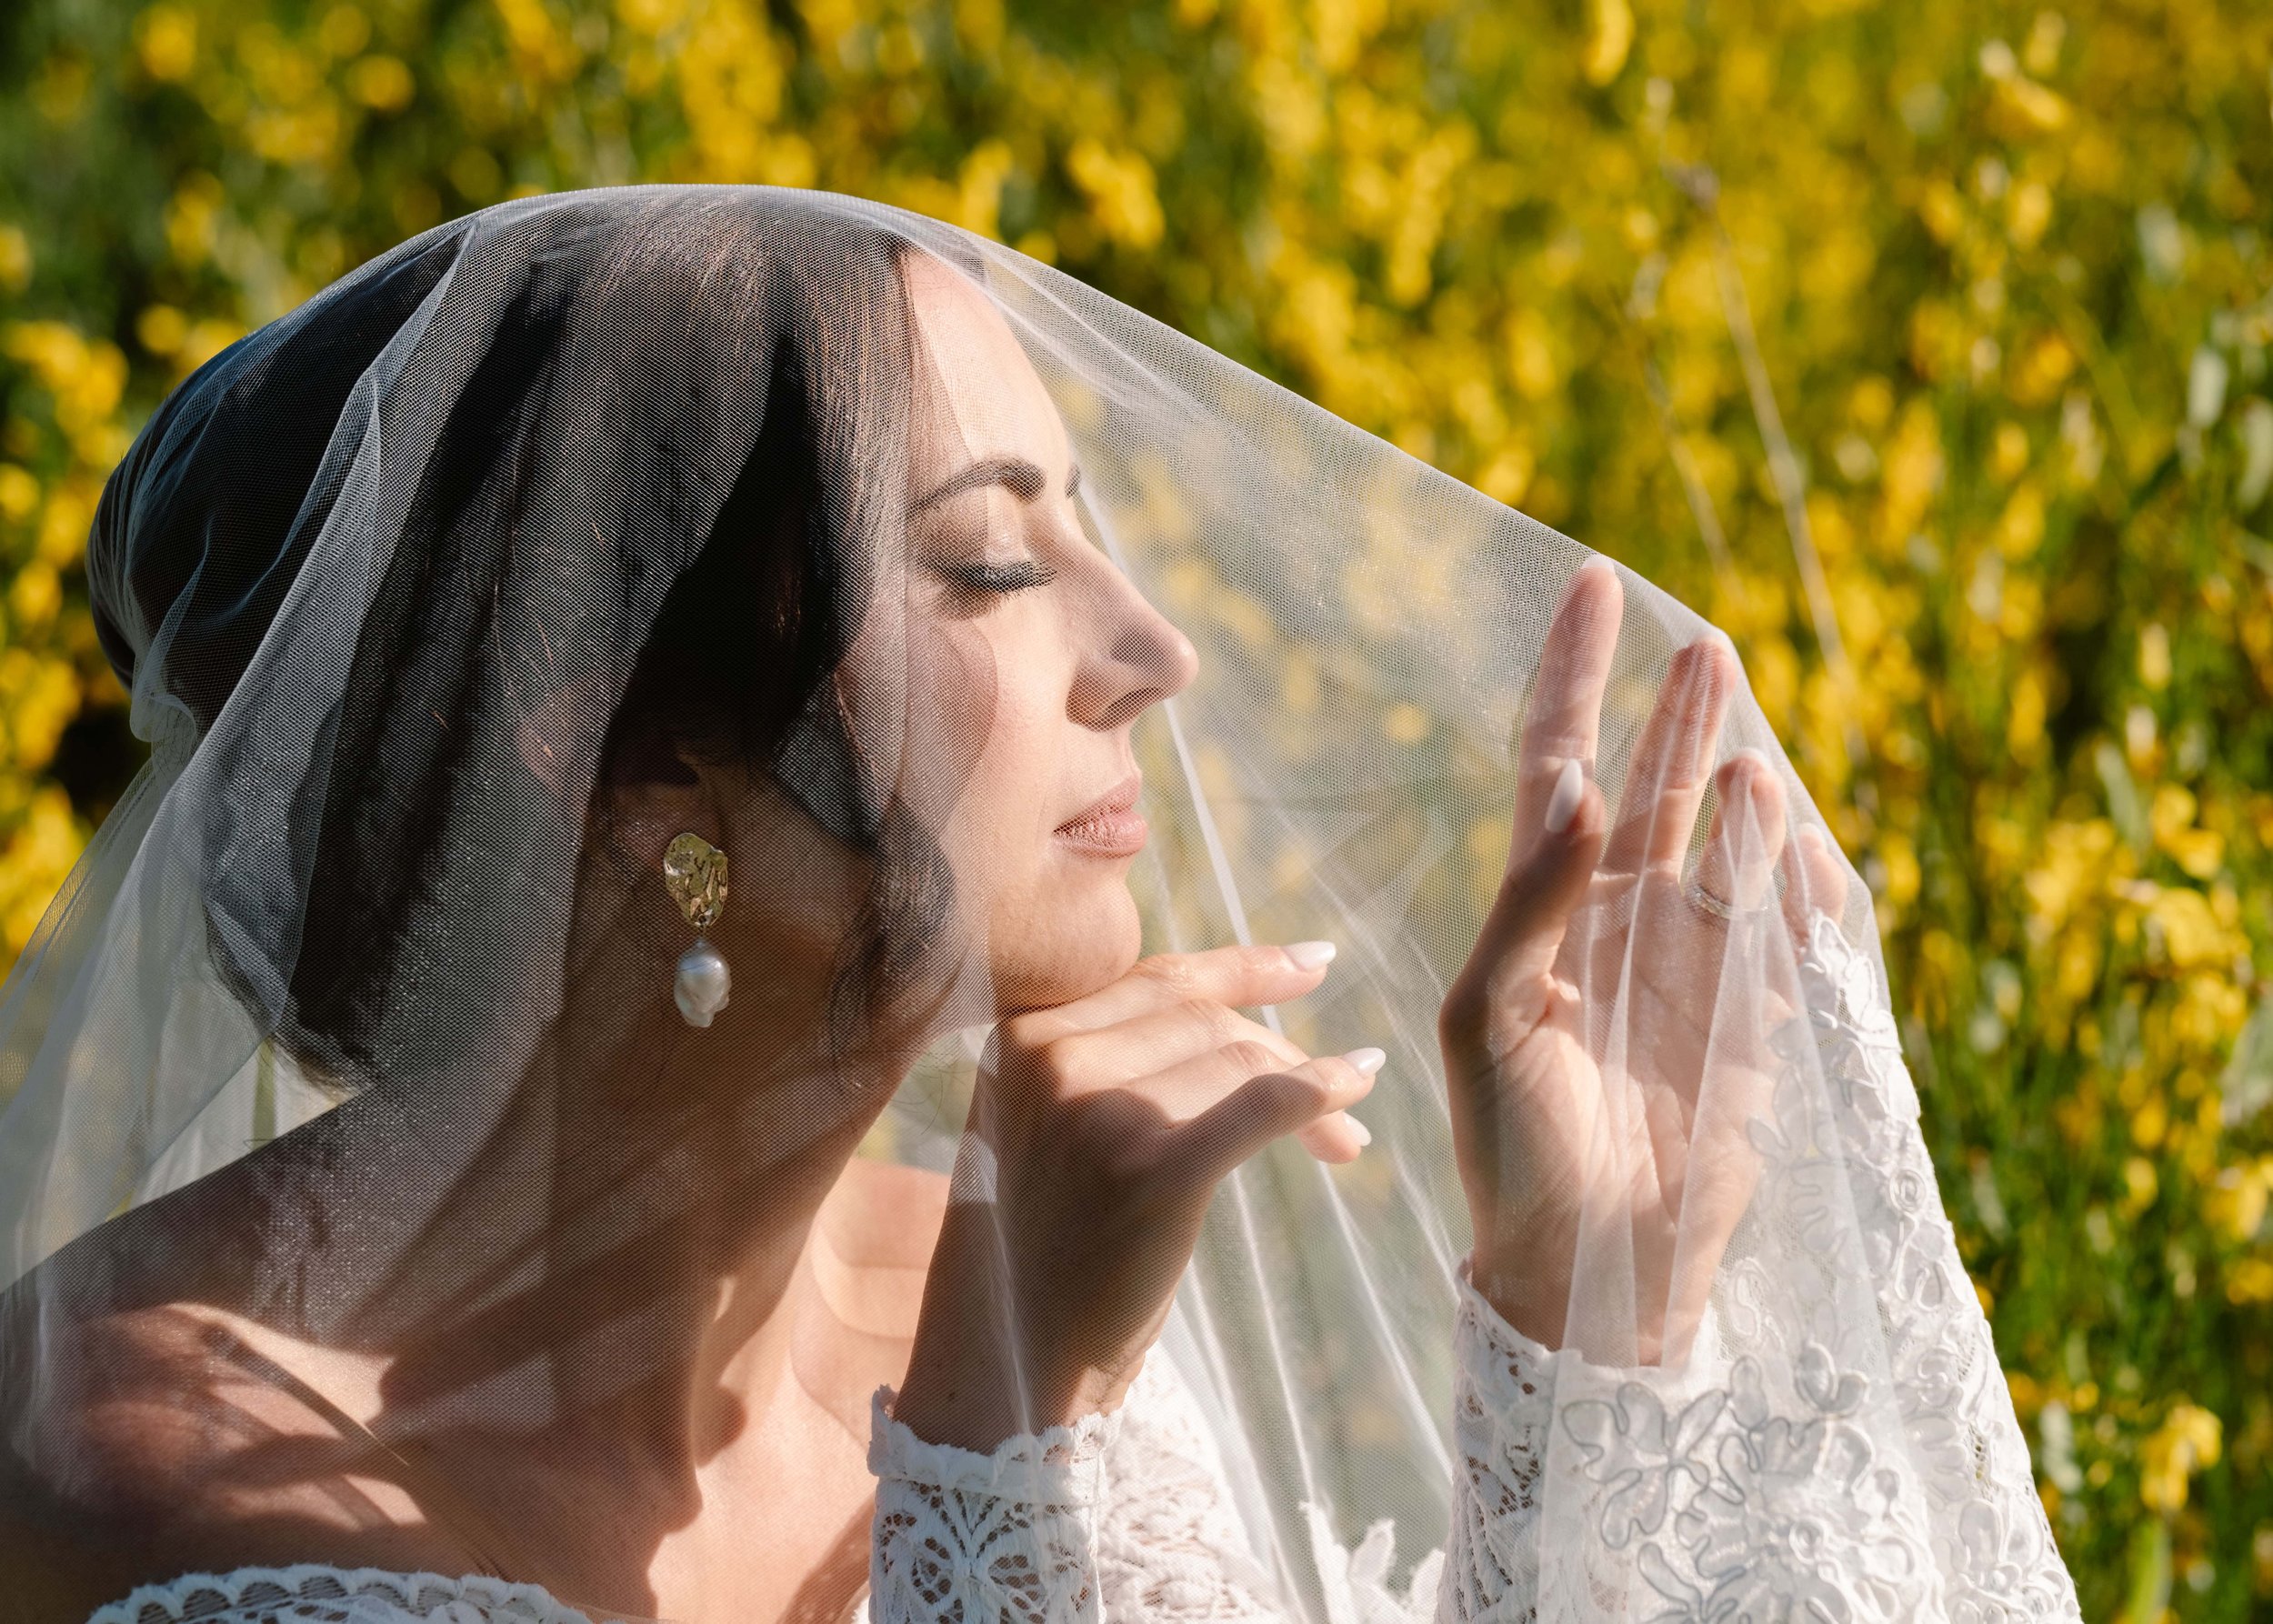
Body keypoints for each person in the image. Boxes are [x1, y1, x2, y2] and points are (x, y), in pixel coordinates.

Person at [0, 187, 2076, 1623]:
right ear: (633, 761)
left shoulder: (1012, 1274)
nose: (1152, 647)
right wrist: (1008, 1456)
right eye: (994, 564)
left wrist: (1582, 1303)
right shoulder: (108, 1485)